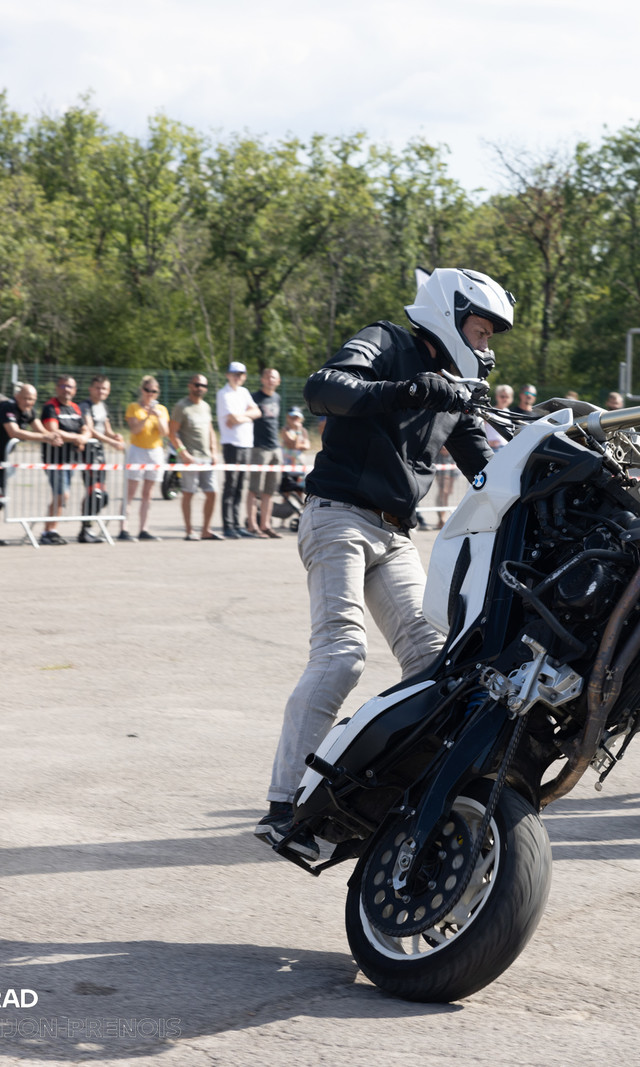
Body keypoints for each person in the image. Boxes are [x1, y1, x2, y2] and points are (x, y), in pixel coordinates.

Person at [255, 266, 513, 859]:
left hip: (395, 534)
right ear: (449, 315)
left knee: (435, 662)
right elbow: (323, 388)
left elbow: (487, 468)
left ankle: (387, 792)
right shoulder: (388, 342)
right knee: (342, 654)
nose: (486, 345)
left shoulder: (454, 390)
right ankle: (283, 805)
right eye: (481, 330)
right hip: (338, 516)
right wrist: (411, 390)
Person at [0, 383, 52, 546]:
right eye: (25, 398)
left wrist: (53, 436)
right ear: (17, 396)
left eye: (32, 399)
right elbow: (14, 432)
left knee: (0, 496)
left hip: (1, 458)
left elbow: (41, 430)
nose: (28, 402)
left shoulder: (29, 411)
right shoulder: (7, 408)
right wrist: (45, 438)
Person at [35, 375, 92, 546]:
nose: (66, 389)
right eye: (63, 386)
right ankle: (49, 531)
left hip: (70, 459)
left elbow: (85, 429)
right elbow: (53, 430)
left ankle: (50, 530)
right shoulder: (51, 407)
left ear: (75, 390)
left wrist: (83, 438)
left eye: (70, 386)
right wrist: (77, 438)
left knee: (60, 497)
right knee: (62, 495)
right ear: (57, 388)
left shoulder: (75, 408)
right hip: (54, 459)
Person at [169, 374, 221, 540]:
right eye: (197, 385)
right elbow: (172, 433)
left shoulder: (205, 406)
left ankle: (206, 530)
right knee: (188, 493)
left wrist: (214, 451)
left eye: (203, 386)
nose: (200, 388)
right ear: (190, 386)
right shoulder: (181, 406)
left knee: (212, 493)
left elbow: (210, 430)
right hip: (190, 458)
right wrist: (183, 453)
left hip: (206, 457)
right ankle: (189, 530)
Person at [78, 376, 125, 543]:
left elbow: (106, 430)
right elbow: (90, 430)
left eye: (104, 388)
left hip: (100, 453)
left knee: (102, 496)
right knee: (95, 493)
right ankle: (85, 529)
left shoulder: (103, 406)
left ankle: (87, 526)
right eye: (98, 388)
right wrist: (111, 442)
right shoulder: (85, 406)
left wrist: (115, 436)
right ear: (91, 389)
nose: (101, 391)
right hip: (88, 453)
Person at [122, 376, 169, 542]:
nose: (150, 394)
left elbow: (164, 432)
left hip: (155, 451)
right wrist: (148, 415)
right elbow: (135, 430)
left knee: (148, 493)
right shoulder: (134, 407)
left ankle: (144, 529)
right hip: (138, 450)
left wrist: (159, 417)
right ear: (142, 390)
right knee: (131, 491)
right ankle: (124, 528)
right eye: (147, 390)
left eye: (154, 391)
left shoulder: (161, 409)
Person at [216, 362, 257, 539]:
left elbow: (257, 412)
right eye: (234, 374)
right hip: (231, 443)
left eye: (240, 374)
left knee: (240, 486)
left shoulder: (244, 392)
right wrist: (247, 416)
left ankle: (237, 524)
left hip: (246, 443)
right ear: (228, 375)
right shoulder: (223, 394)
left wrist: (243, 417)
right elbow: (232, 419)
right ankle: (228, 525)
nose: (237, 377)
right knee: (230, 485)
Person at [245, 367, 284, 539]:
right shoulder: (254, 398)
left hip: (275, 448)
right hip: (259, 448)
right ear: (262, 380)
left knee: (270, 490)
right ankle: (252, 526)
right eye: (267, 377)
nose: (270, 380)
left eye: (273, 377)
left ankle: (265, 525)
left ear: (278, 381)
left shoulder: (277, 398)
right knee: (255, 489)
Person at [484, 384, 514, 450]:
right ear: (497, 397)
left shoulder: (507, 412)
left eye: (507, 397)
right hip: (494, 449)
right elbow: (479, 429)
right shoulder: (489, 412)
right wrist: (488, 442)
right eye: (502, 396)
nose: (505, 399)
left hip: (507, 448)